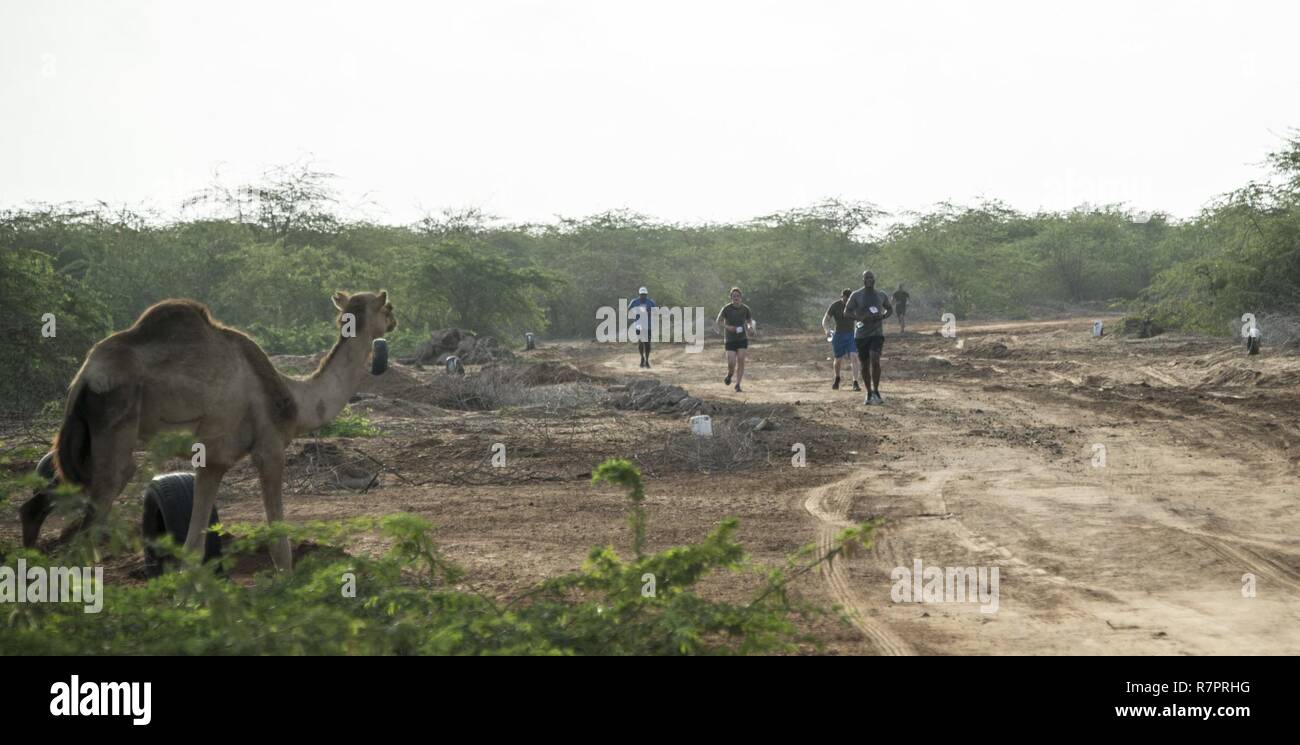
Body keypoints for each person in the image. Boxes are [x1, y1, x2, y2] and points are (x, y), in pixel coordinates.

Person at [844, 270, 893, 405]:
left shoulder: (881, 295)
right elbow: (846, 312)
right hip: (861, 335)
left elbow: (890, 309)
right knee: (865, 364)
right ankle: (869, 392)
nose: (869, 279)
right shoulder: (856, 295)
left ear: (874, 279)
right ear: (863, 280)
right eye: (867, 277)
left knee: (875, 359)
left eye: (871, 277)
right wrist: (860, 317)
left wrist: (882, 316)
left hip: (877, 333)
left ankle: (876, 390)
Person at [715, 287, 754, 392]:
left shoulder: (745, 309)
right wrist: (728, 327)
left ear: (741, 297)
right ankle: (729, 374)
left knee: (741, 359)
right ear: (731, 298)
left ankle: (738, 384)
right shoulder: (726, 308)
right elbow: (719, 321)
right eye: (734, 296)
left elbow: (749, 320)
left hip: (742, 338)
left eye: (738, 296)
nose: (736, 298)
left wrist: (750, 327)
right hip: (730, 339)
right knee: (731, 363)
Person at [822, 288, 861, 391]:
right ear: (842, 297)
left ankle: (855, 382)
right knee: (838, 359)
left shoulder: (854, 305)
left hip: (851, 335)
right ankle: (837, 378)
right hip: (838, 335)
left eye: (848, 299)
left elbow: (861, 319)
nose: (846, 301)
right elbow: (825, 320)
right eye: (845, 299)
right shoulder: (835, 305)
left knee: (854, 357)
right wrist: (827, 331)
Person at [628, 287, 657, 368]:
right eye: (641, 295)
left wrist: (650, 312)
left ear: (646, 295)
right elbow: (629, 310)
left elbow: (656, 312)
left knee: (647, 343)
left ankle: (647, 360)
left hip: (648, 325)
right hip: (639, 324)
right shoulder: (634, 301)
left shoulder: (650, 302)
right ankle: (642, 357)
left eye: (644, 295)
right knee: (641, 341)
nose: (643, 296)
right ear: (639, 294)